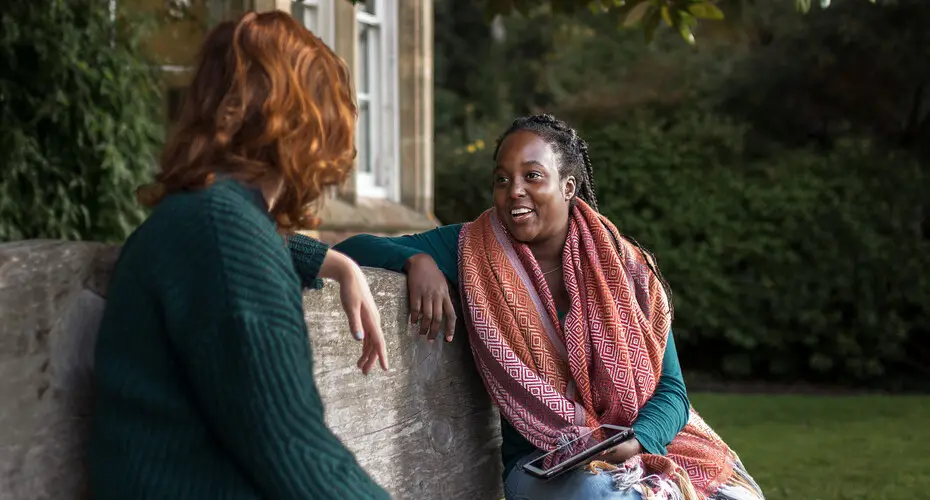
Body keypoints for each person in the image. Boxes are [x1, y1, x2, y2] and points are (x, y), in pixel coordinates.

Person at [333, 114, 765, 500]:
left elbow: (672, 392)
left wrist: (637, 441)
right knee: (608, 495)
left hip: (632, 449)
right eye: (502, 179)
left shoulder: (627, 266)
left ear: (569, 186)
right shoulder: (471, 248)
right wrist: (415, 259)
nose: (514, 191)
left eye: (532, 176)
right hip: (539, 470)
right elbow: (352, 248)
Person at [89, 12, 390, 500]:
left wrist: (335, 262)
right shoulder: (221, 231)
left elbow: (256, 248)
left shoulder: (211, 220)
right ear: (307, 119)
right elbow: (296, 454)